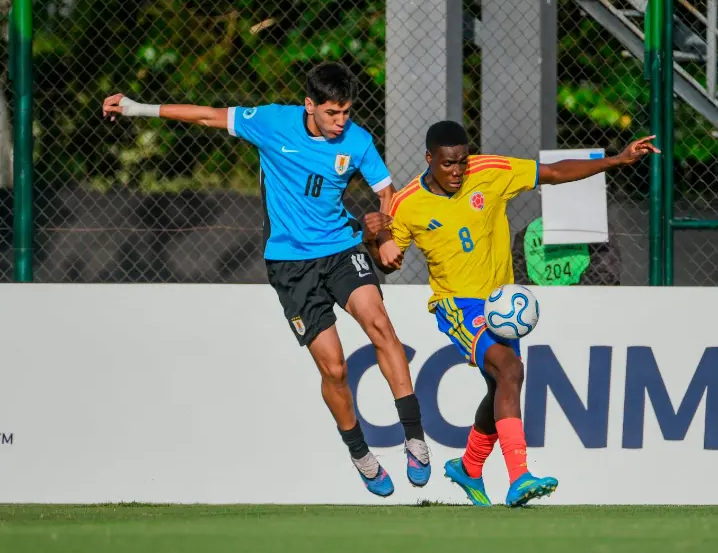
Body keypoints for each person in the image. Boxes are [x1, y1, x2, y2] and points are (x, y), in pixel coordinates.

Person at [102, 62, 430, 497]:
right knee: (333, 367)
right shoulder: (272, 122)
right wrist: (136, 108)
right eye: (332, 112)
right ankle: (359, 451)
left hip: (341, 247)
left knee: (380, 325)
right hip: (291, 264)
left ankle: (415, 437)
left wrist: (384, 233)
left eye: (347, 112)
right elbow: (207, 115)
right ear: (308, 105)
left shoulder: (358, 140)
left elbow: (386, 190)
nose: (341, 122)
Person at [362, 121, 659, 507]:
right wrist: (376, 242)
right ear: (429, 159)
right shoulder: (406, 204)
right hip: (457, 305)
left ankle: (469, 467)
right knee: (511, 371)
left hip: (500, 306)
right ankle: (519, 476)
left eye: (462, 162)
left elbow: (551, 173)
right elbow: (388, 262)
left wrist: (617, 159)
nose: (458, 171)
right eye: (449, 163)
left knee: (500, 384)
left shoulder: (489, 171)